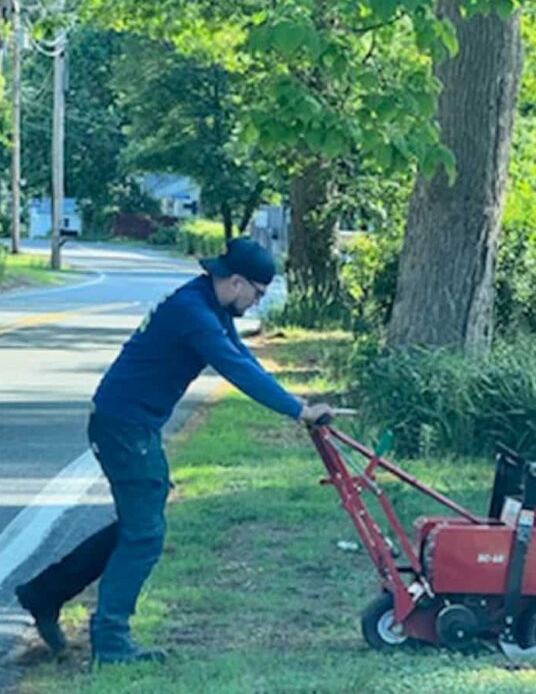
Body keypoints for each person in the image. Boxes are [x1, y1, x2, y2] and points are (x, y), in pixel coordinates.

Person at [14, 238, 333, 665]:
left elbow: (242, 356)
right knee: (145, 534)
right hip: (124, 427)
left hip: (130, 423)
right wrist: (298, 410)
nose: (256, 303)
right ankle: (110, 642)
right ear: (236, 281)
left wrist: (298, 405)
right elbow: (234, 368)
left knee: (136, 525)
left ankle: (44, 594)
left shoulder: (206, 302)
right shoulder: (194, 313)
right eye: (257, 293)